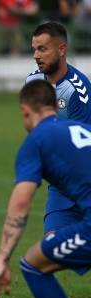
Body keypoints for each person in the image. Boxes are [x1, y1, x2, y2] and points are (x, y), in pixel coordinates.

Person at [0, 79, 91, 298]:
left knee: (33, 265)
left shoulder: (35, 141)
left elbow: (20, 204)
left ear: (25, 111)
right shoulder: (84, 129)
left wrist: (2, 259)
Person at [26, 22, 91, 236]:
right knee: (50, 245)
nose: (36, 55)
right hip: (61, 184)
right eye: (34, 49)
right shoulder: (33, 81)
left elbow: (85, 144)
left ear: (61, 49)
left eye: (42, 49)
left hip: (85, 181)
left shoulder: (77, 90)